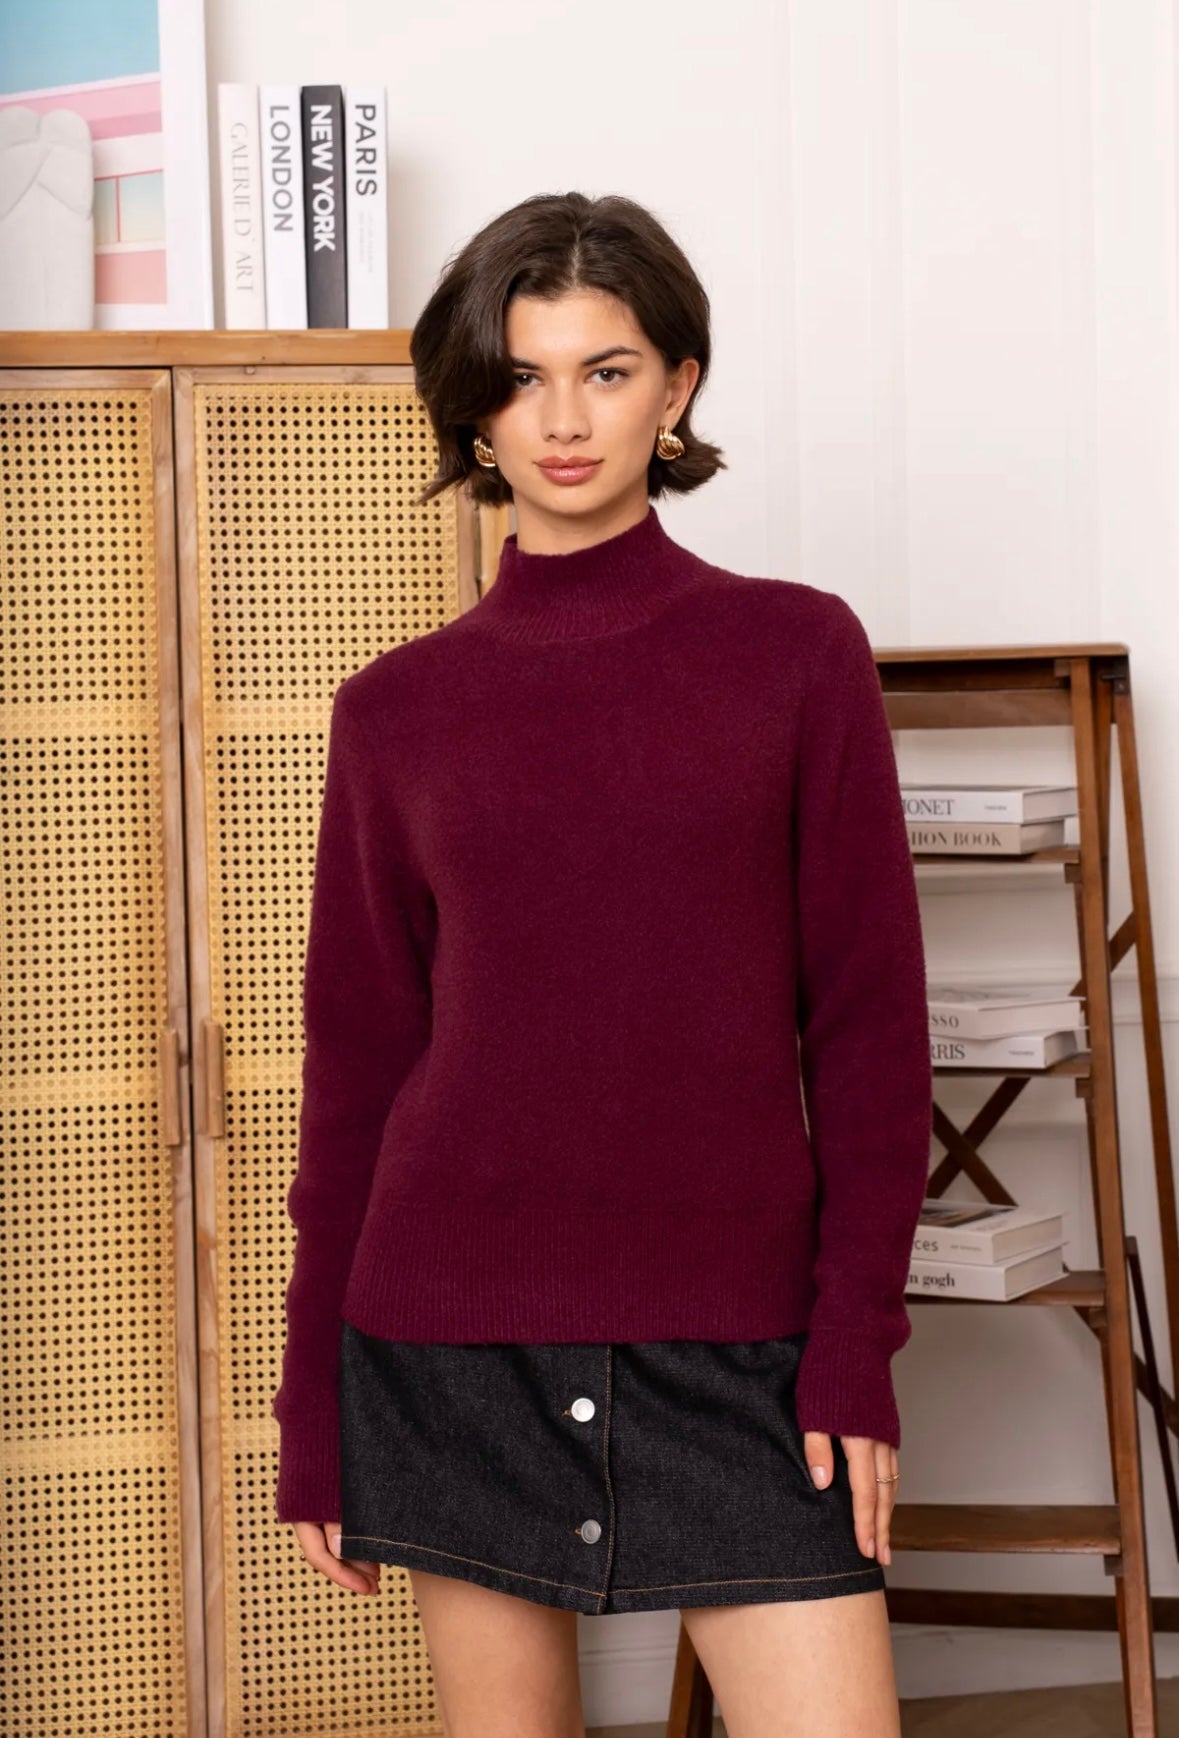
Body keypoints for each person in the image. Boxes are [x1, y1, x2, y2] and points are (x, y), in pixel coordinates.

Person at [271, 190, 932, 1738]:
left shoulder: (798, 657)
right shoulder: (394, 713)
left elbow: (867, 1029)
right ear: (475, 409)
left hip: (743, 1344)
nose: (563, 420)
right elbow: (357, 1070)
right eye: (521, 377)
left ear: (678, 384)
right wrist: (315, 1408)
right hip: (452, 1342)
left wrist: (853, 1344)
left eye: (608, 370)